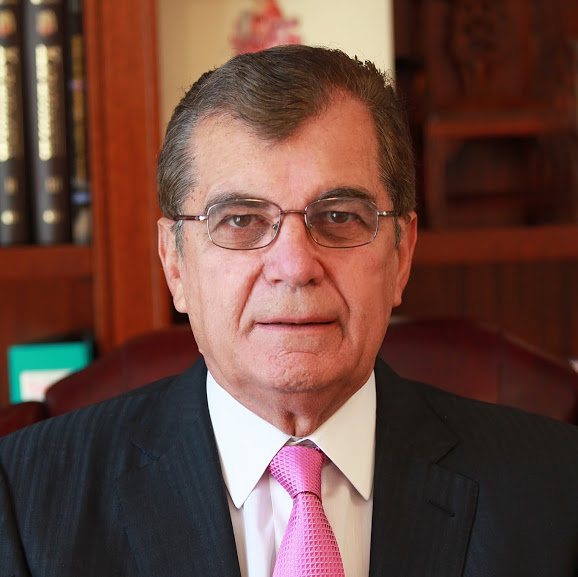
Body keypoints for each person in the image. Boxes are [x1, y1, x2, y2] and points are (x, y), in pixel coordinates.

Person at [0, 45, 577, 577]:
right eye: (241, 220)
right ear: (175, 264)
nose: (295, 266)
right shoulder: (26, 499)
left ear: (401, 256)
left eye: (340, 216)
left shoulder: (558, 487)